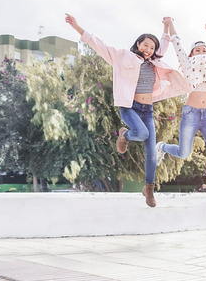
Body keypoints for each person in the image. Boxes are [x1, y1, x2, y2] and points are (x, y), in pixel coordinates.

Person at [64, 14, 191, 207]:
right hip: (129, 107)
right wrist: (77, 27)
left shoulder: (155, 60)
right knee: (141, 133)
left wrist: (166, 27)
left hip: (147, 110)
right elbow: (99, 44)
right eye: (145, 45)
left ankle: (148, 189)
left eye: (151, 47)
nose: (148, 49)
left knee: (151, 153)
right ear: (138, 43)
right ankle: (124, 135)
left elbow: (163, 45)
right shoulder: (122, 56)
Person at [155, 18, 206, 202]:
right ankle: (162, 147)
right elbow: (176, 42)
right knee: (184, 152)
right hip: (191, 113)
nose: (202, 53)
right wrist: (171, 23)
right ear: (191, 54)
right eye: (198, 50)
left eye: (204, 50)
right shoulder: (187, 63)